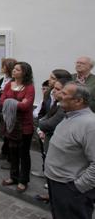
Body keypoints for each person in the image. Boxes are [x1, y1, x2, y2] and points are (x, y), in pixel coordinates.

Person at [45, 83, 95, 219]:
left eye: (64, 93)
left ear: (78, 101)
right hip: (57, 183)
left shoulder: (90, 125)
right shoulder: (69, 116)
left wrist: (77, 188)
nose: (59, 94)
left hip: (70, 188)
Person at [0, 61, 35, 193]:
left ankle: (23, 180)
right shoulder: (9, 84)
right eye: (14, 69)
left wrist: (10, 102)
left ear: (24, 73)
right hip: (11, 124)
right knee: (12, 152)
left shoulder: (29, 87)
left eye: (17, 70)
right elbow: (1, 101)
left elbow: (26, 106)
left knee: (23, 154)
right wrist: (17, 102)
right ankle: (13, 177)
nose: (14, 71)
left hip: (24, 126)